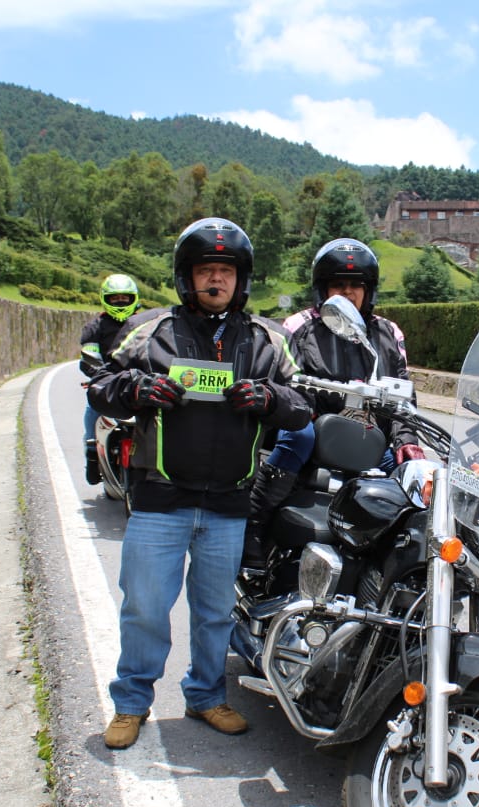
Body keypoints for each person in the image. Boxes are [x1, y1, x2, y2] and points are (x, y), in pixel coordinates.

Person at [87, 218, 311, 748]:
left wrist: (270, 399)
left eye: (226, 271)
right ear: (186, 277)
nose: (216, 279)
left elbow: (303, 404)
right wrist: (137, 388)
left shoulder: (269, 340)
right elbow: (100, 386)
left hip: (229, 504)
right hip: (160, 500)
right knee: (144, 608)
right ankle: (131, 703)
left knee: (214, 614)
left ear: (241, 279)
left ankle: (206, 695)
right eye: (206, 270)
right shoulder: (149, 330)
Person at [242, 238, 424, 568]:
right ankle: (254, 523)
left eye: (356, 285)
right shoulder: (299, 326)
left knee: (413, 476)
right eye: (338, 285)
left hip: (366, 434)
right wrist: (308, 411)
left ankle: (398, 565)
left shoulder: (387, 332)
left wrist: (407, 441)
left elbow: (403, 393)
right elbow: (285, 381)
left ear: (369, 290)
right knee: (299, 436)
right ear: (322, 289)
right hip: (312, 427)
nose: (347, 293)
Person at [80, 273, 141, 485]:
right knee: (93, 406)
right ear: (106, 299)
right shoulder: (95, 327)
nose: (120, 302)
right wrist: (96, 375)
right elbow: (89, 356)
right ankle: (91, 451)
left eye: (125, 298)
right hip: (108, 382)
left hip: (138, 382)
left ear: (134, 298)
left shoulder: (146, 323)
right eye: (115, 298)